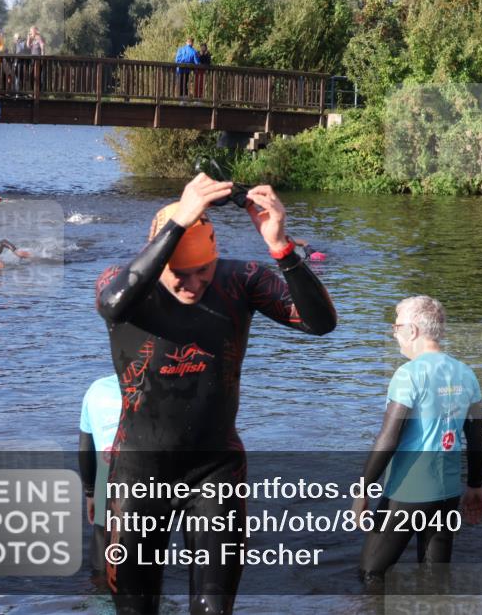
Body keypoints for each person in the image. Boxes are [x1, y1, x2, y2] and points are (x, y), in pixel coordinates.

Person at [95, 173, 336, 615]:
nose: (191, 284)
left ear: (216, 258)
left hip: (214, 469)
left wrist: (280, 246)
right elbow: (112, 304)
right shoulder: (123, 285)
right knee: (135, 607)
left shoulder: (240, 280)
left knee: (211, 608)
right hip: (138, 471)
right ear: (157, 260)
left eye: (202, 271)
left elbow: (320, 323)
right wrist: (180, 219)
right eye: (179, 275)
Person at [352, 295, 482, 588]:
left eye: (396, 325)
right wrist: (475, 485)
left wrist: (363, 489)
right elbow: (477, 438)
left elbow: (389, 437)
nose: (394, 333)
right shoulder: (466, 373)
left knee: (371, 574)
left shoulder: (408, 374)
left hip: (408, 490)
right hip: (448, 491)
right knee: (434, 579)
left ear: (412, 331)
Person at [78, 374, 123, 578]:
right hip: (148, 487)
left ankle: (100, 602)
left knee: (101, 564)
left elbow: (85, 448)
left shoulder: (96, 389)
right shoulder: (161, 387)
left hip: (105, 486)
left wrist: (89, 492)